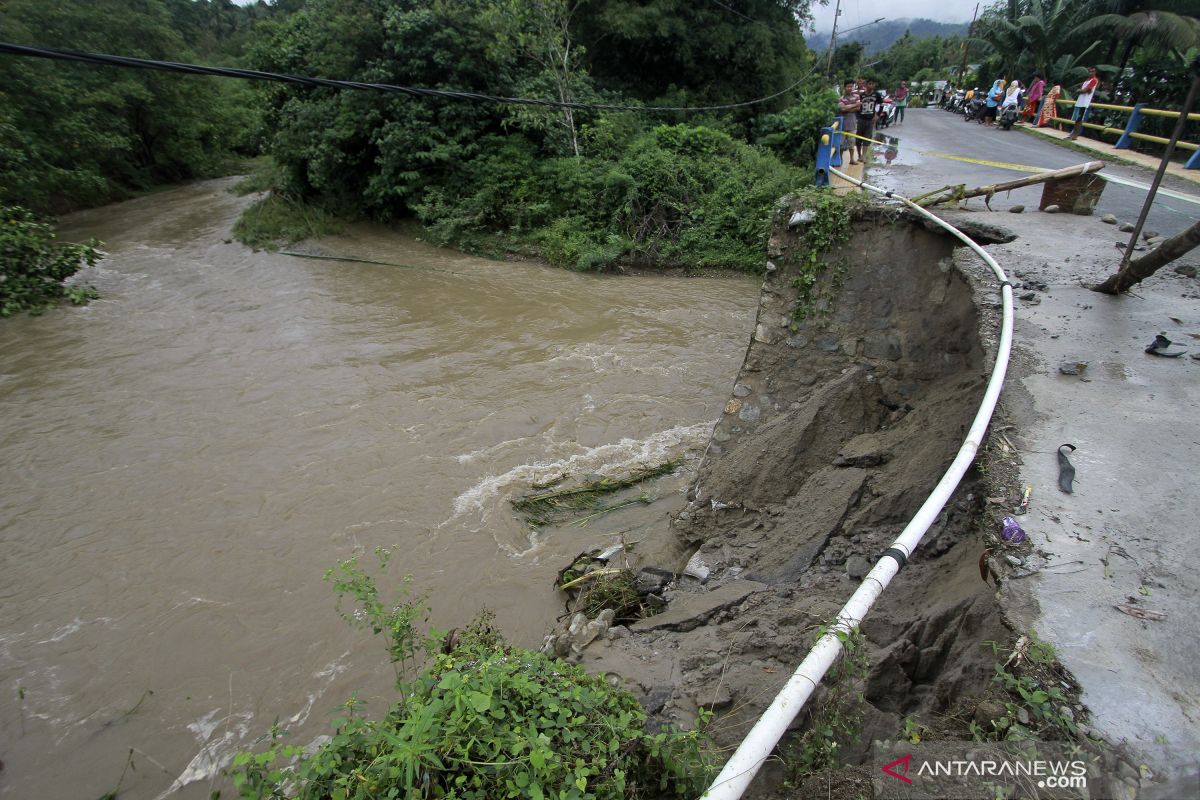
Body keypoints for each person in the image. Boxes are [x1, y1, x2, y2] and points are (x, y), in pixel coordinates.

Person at [1067, 66, 1100, 140]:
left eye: (1092, 71)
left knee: (1079, 119)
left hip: (1085, 102)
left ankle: (1075, 135)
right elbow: (1086, 90)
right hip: (1080, 101)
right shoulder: (1087, 80)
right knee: (1077, 119)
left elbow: (1085, 90)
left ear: (1095, 72)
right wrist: (1083, 90)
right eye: (1090, 71)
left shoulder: (1094, 80)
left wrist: (1080, 90)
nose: (1091, 73)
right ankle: (1073, 134)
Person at [855, 78, 883, 163]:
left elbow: (881, 104)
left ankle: (863, 156)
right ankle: (859, 155)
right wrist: (857, 117)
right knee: (858, 139)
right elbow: (857, 106)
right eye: (869, 84)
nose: (871, 86)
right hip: (861, 119)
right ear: (866, 85)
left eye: (873, 84)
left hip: (870, 120)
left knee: (867, 138)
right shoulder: (862, 95)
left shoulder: (876, 95)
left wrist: (877, 115)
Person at [837, 79, 862, 165]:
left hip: (853, 122)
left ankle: (852, 159)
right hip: (843, 123)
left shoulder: (856, 96)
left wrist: (848, 107)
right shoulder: (841, 98)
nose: (850, 88)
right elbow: (842, 109)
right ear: (844, 87)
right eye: (848, 86)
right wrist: (854, 105)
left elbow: (858, 108)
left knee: (852, 141)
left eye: (851, 86)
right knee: (841, 143)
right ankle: (840, 159)